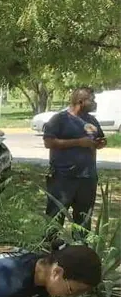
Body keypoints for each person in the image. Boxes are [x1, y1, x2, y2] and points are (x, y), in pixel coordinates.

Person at [43, 86, 108, 235]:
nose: (95, 102)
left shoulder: (92, 120)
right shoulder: (60, 119)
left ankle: (80, 253)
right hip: (62, 178)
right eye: (92, 99)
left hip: (87, 178)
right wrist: (78, 142)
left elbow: (99, 139)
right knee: (55, 219)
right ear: (81, 101)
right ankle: (52, 254)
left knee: (83, 221)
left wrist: (101, 143)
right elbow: (49, 142)